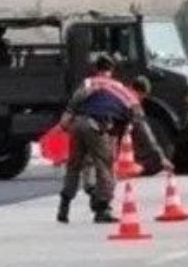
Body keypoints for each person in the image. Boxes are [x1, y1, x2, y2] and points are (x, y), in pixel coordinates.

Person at [56, 55, 172, 224]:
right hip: (96, 126)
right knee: (106, 168)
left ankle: (64, 207)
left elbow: (79, 97)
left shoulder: (91, 82)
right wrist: (161, 158)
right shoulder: (128, 96)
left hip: (78, 123)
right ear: (142, 93)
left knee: (74, 166)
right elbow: (145, 133)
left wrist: (68, 114)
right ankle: (102, 209)